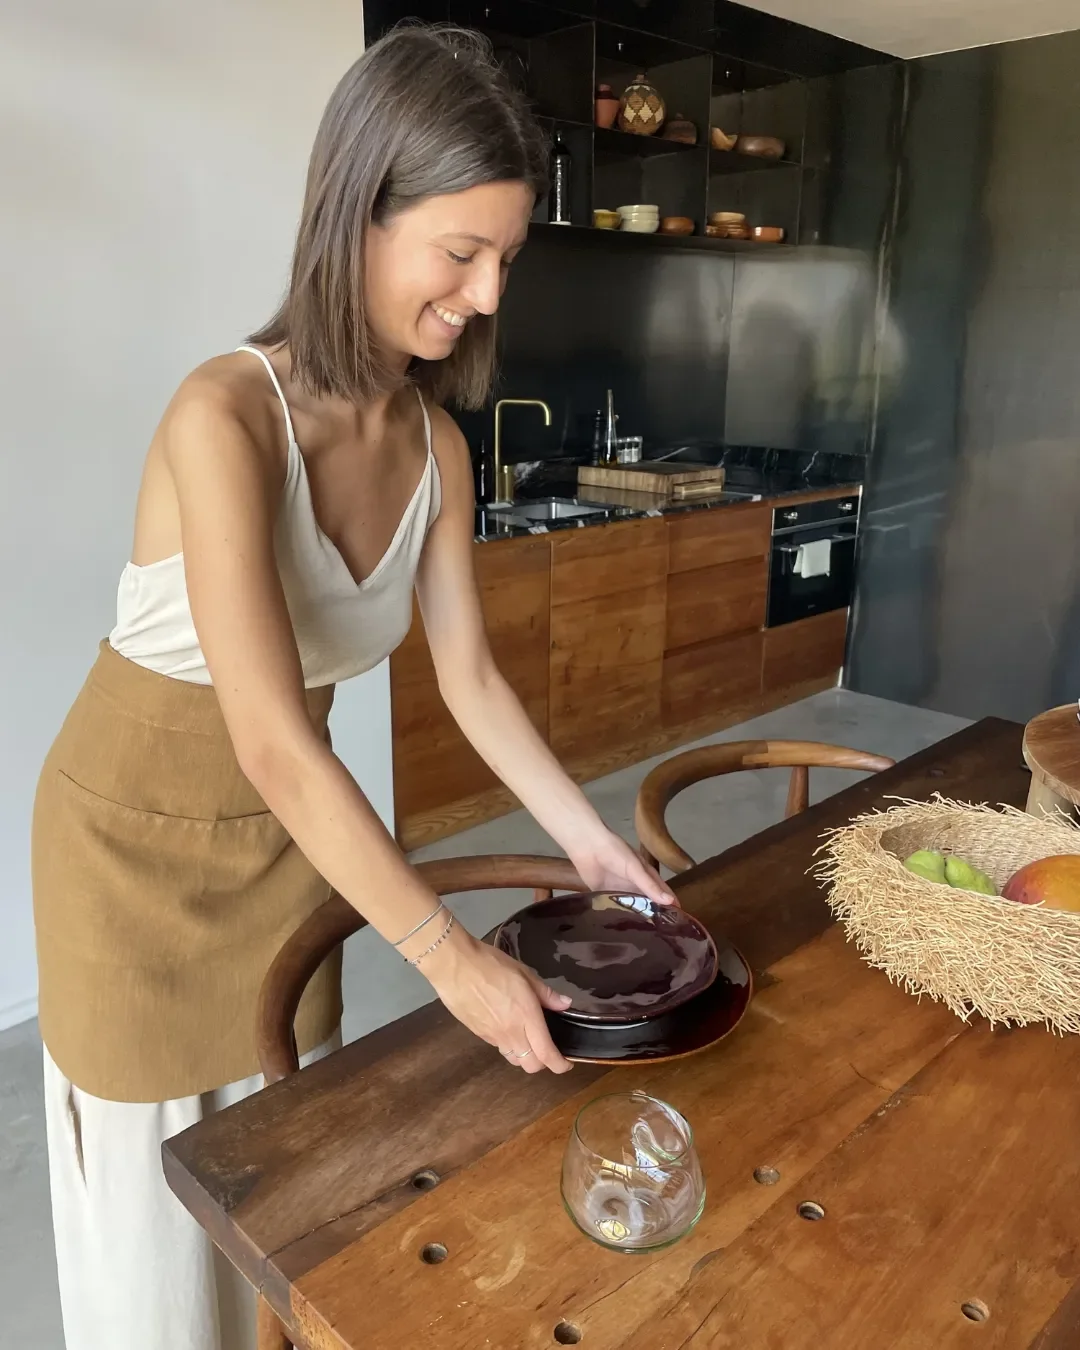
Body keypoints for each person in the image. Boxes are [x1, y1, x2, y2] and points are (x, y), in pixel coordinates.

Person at [31, 23, 673, 1350]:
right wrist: (448, 960)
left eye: (507, 257)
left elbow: (475, 681)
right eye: (461, 251)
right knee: (155, 1282)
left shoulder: (438, 444)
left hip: (288, 851)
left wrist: (591, 842)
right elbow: (270, 735)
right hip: (131, 864)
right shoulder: (222, 419)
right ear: (359, 213)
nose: (489, 294)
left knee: (288, 1211)